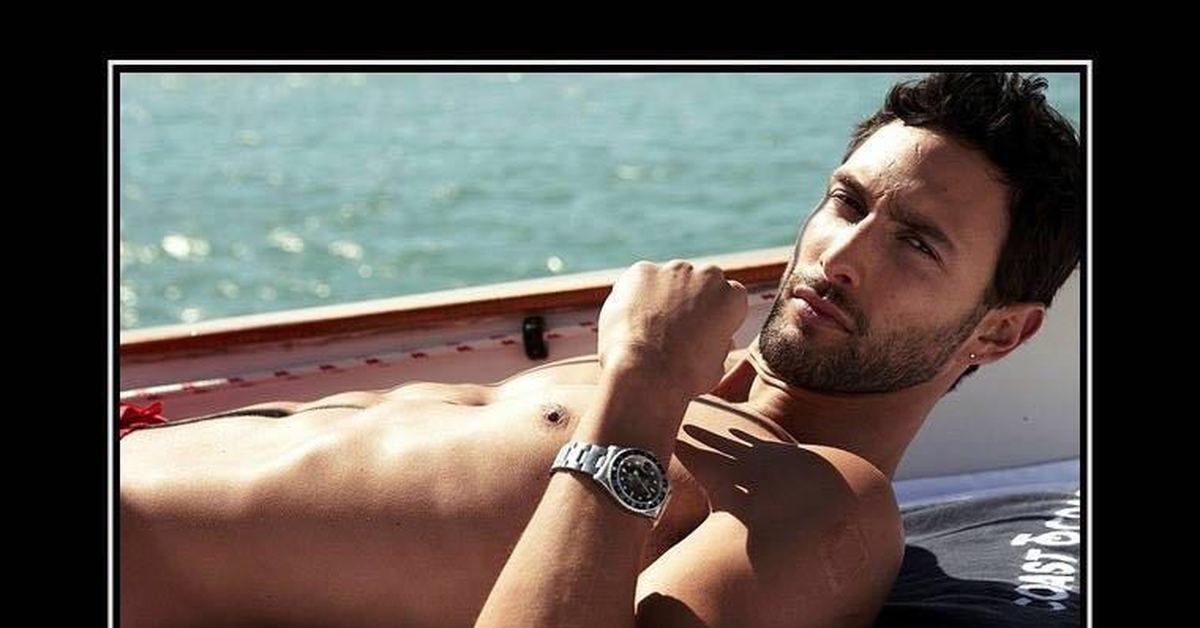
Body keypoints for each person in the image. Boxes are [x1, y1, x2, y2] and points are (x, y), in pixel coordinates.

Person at [119, 72, 1082, 627]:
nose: (841, 255)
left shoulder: (828, 506)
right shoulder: (703, 393)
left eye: (917, 244)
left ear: (1000, 331)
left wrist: (646, 381)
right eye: (847, 201)